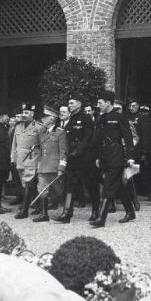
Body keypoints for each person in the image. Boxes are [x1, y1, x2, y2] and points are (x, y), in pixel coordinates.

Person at [91, 90, 136, 228]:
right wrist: (98, 157)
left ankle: (101, 218)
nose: (98, 105)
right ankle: (130, 212)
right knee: (118, 185)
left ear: (108, 103)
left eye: (100, 102)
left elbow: (128, 138)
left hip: (116, 154)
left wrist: (130, 156)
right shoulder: (100, 118)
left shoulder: (119, 117)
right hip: (104, 155)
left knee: (109, 183)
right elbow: (97, 140)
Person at [54, 95, 94, 223]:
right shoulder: (71, 119)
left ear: (79, 104)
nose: (69, 105)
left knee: (90, 185)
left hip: (84, 158)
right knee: (69, 186)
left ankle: (96, 210)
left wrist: (78, 151)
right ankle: (67, 213)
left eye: (72, 103)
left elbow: (88, 138)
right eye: (69, 103)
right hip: (72, 157)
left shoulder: (86, 118)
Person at [33, 106, 68, 222]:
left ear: (52, 119)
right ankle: (44, 214)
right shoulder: (42, 132)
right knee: (41, 190)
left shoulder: (60, 133)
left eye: (46, 117)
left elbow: (63, 152)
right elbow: (41, 151)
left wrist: (61, 168)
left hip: (54, 167)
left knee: (60, 191)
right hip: (43, 166)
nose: (43, 119)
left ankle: (64, 211)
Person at [11, 102, 45, 219]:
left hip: (32, 158)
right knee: (27, 184)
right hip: (19, 159)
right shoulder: (18, 126)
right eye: (23, 112)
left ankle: (24, 210)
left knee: (27, 183)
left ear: (32, 113)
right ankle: (39, 206)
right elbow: (14, 144)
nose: (24, 115)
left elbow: (43, 146)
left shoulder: (39, 127)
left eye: (27, 112)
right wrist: (12, 157)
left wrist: (41, 161)